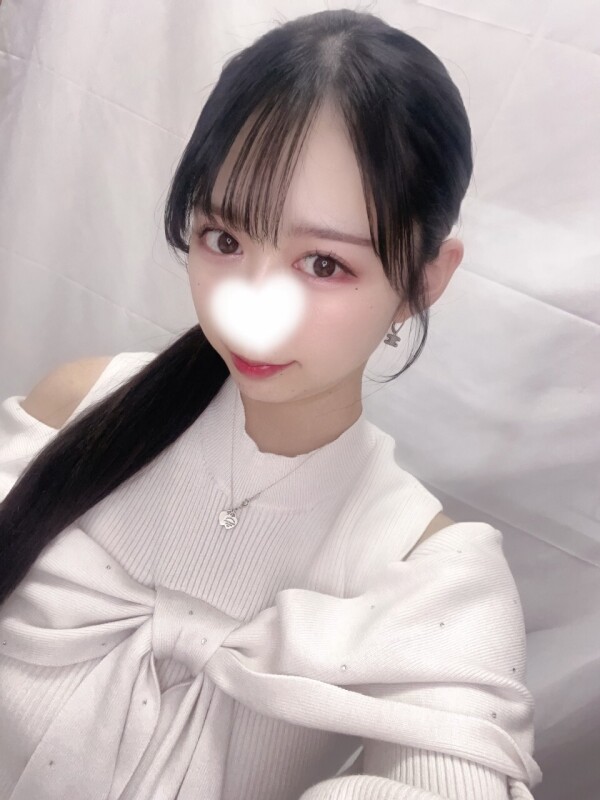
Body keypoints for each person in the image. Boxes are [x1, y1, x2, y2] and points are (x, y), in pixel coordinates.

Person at [0, 8, 542, 800]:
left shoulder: (427, 576)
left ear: (424, 280)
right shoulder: (72, 411)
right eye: (225, 240)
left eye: (323, 263)